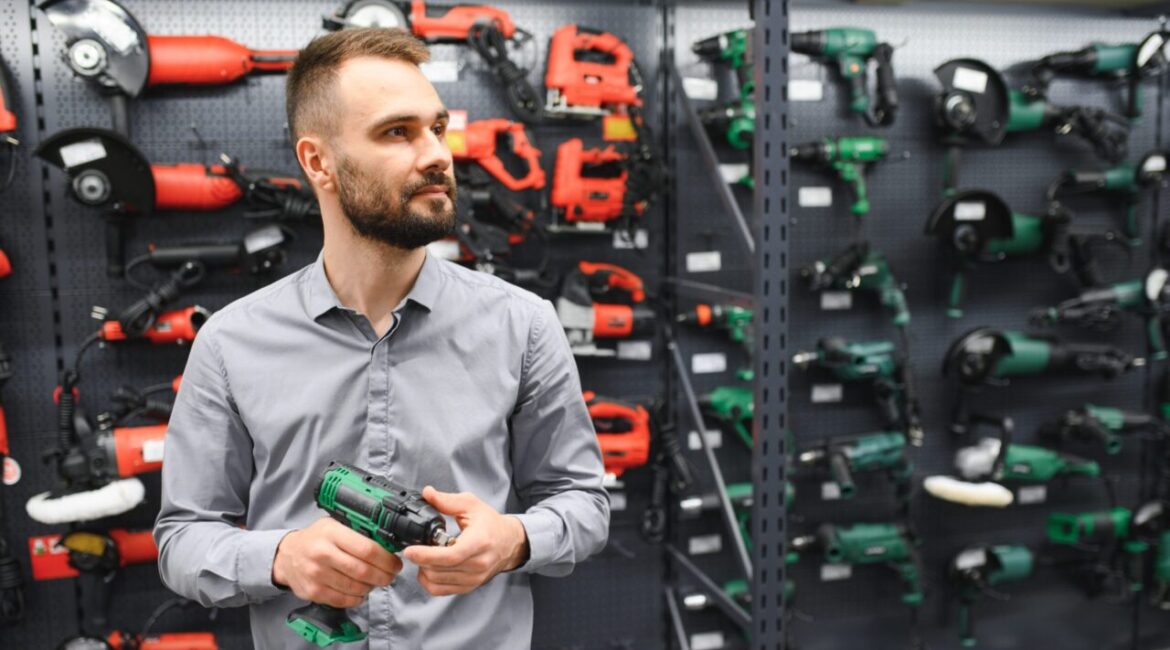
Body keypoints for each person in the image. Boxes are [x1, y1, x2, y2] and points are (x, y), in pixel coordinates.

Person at [154, 27, 610, 649]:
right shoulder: (231, 345)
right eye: (398, 132)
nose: (437, 154)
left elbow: (583, 503)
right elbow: (182, 538)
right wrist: (281, 557)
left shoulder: (522, 325)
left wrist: (515, 540)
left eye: (436, 126)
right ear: (319, 163)